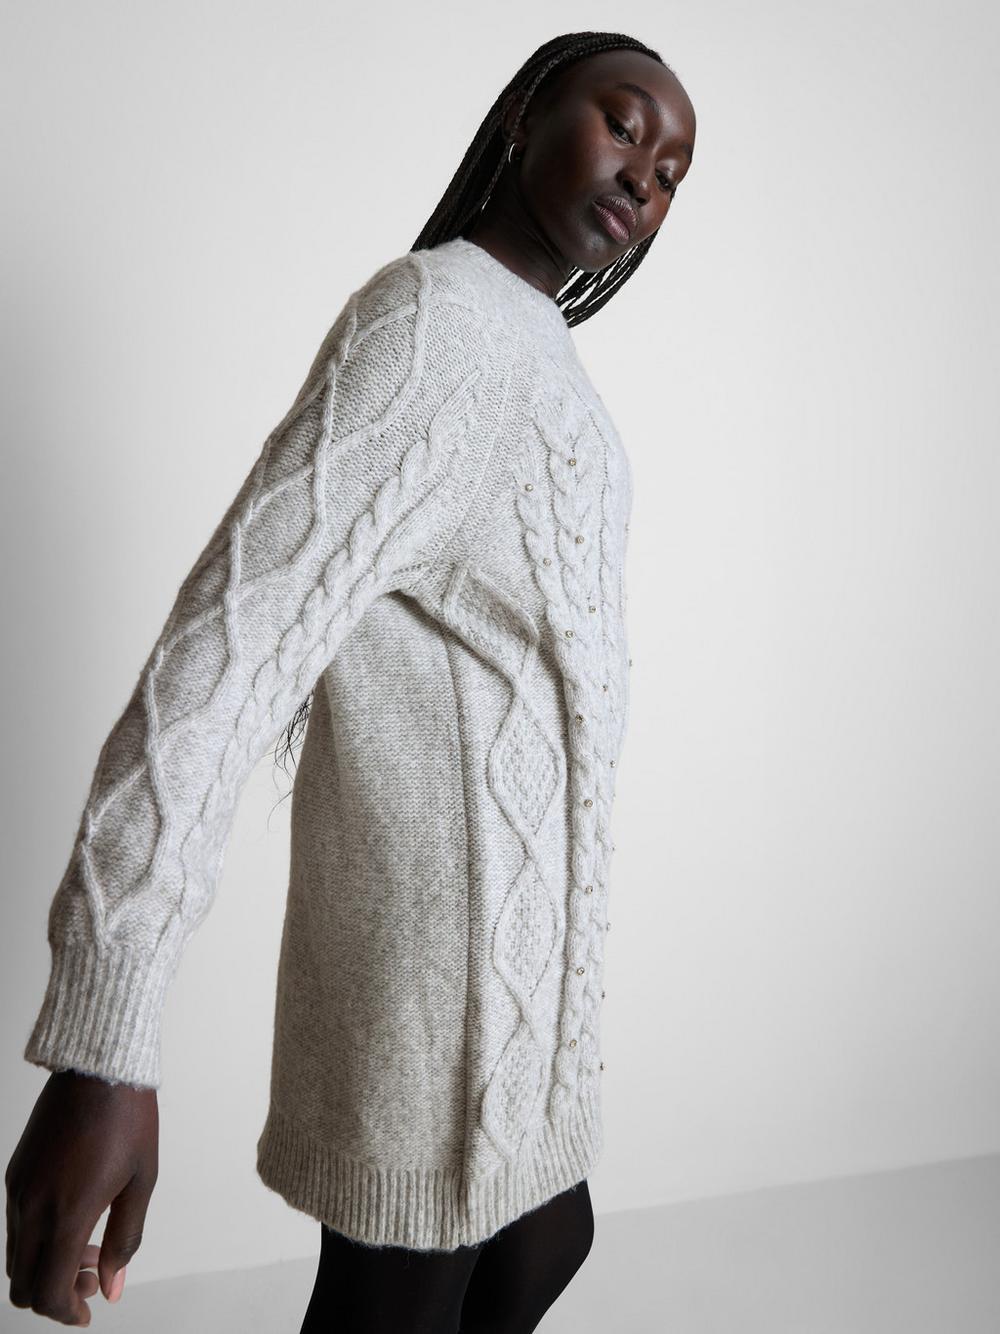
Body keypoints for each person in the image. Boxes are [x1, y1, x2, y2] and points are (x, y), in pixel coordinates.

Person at [5, 28, 695, 1333]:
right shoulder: (433, 326)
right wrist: (106, 1044)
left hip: (524, 1013)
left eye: (671, 174)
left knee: (549, 1239)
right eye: (623, 124)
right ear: (527, 115)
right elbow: (226, 656)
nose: (643, 176)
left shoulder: (543, 359)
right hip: (431, 1013)